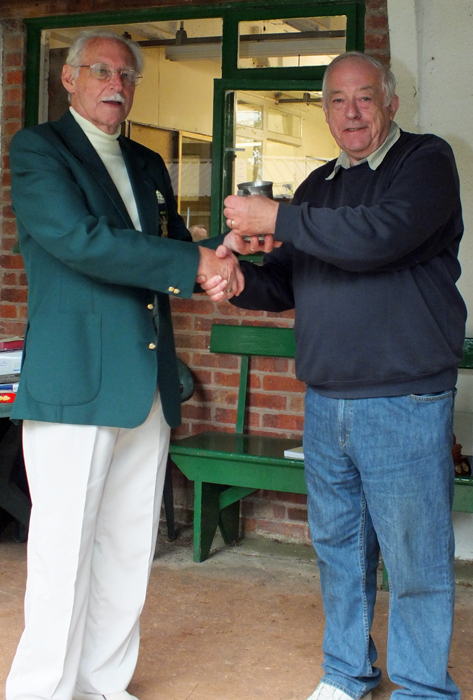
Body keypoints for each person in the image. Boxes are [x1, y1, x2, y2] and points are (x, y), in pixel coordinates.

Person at [205, 52, 466, 700]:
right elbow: (290, 279)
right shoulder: (319, 185)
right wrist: (238, 281)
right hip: (325, 400)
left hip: (402, 398)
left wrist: (275, 218)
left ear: (390, 103)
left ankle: (420, 687)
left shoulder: (425, 162)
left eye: (364, 98)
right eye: (336, 100)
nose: (350, 112)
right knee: (340, 554)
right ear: (323, 110)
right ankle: (345, 672)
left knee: (414, 561)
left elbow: (378, 236)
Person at [6, 29, 241, 700]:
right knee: (63, 551)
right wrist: (189, 263)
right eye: (101, 70)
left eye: (127, 75)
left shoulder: (144, 162)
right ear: (70, 81)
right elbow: (80, 241)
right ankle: (42, 692)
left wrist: (218, 257)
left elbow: (164, 249)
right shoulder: (40, 150)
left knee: (127, 546)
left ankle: (103, 685)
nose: (117, 83)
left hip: (145, 380)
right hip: (76, 379)